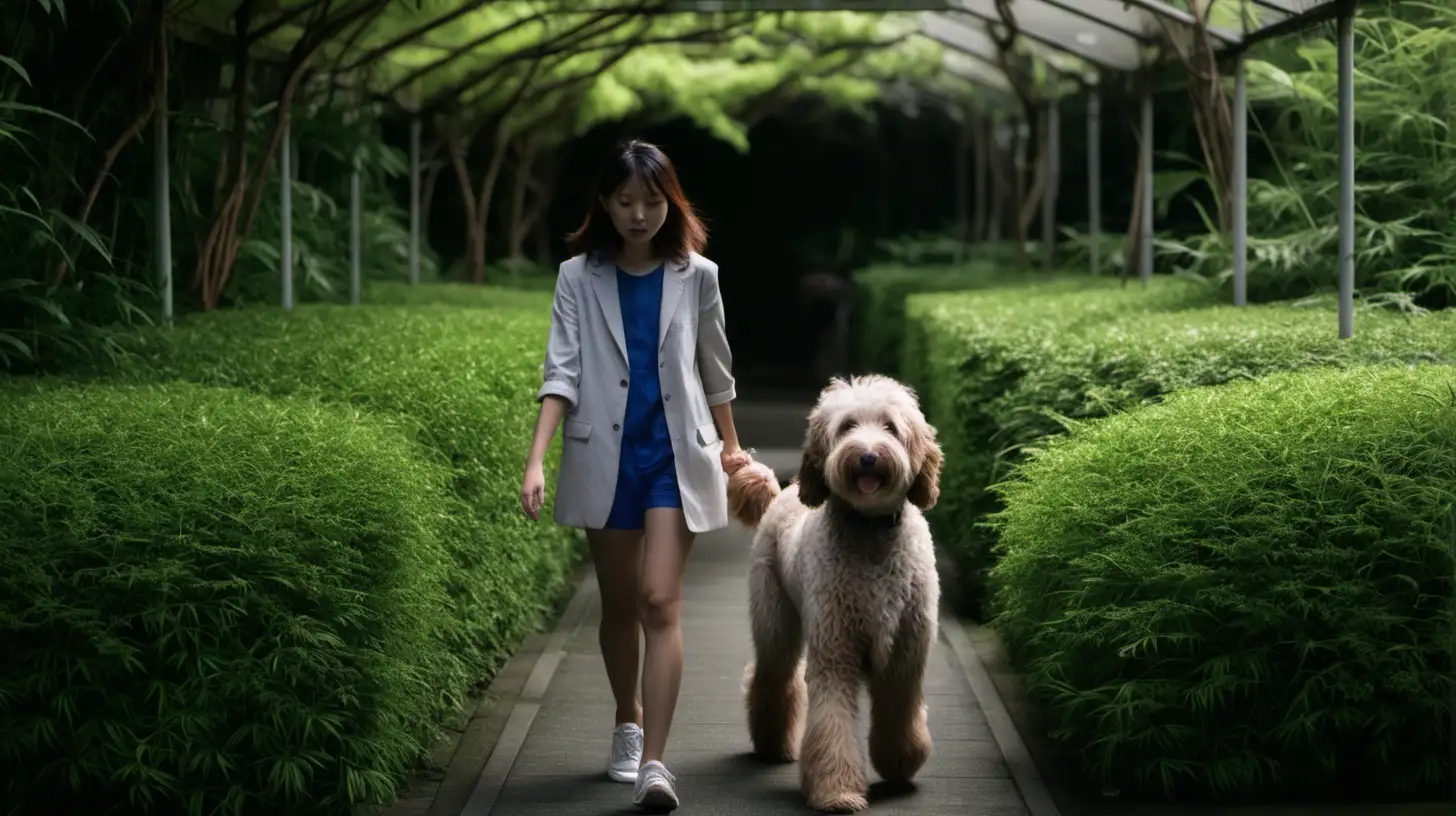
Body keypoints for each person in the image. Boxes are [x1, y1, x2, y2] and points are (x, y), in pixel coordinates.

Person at [519, 139, 750, 812]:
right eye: (625, 202)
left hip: (675, 459)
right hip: (604, 456)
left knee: (659, 602)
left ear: (670, 202)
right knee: (619, 605)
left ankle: (655, 763)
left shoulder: (697, 275)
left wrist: (732, 448)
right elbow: (560, 371)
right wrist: (537, 458)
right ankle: (628, 717)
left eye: (651, 202)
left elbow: (717, 370)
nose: (639, 215)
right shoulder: (577, 276)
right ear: (605, 204)